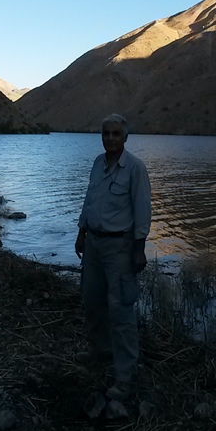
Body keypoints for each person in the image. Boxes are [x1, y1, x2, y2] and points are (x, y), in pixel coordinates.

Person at [74, 113, 151, 401]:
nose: (110, 139)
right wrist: (82, 232)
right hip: (93, 244)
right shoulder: (97, 164)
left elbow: (143, 211)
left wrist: (139, 248)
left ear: (125, 137)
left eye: (115, 134)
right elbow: (90, 199)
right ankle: (100, 351)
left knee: (120, 313)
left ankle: (125, 377)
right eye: (106, 133)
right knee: (92, 302)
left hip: (119, 248)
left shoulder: (135, 169)